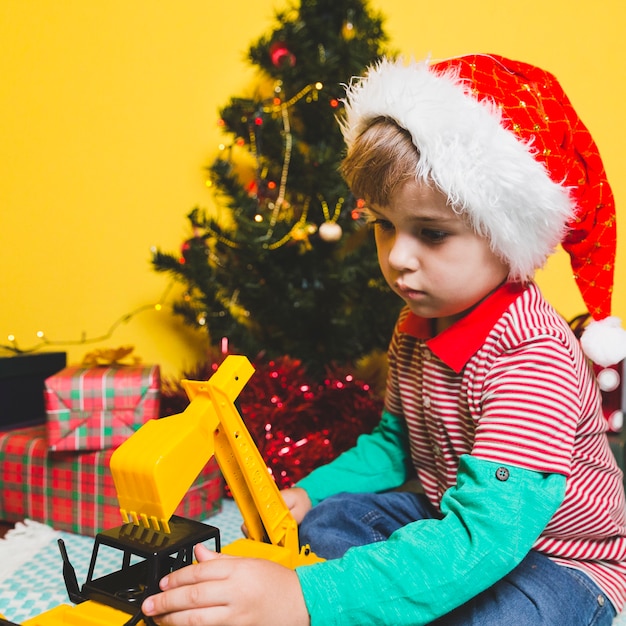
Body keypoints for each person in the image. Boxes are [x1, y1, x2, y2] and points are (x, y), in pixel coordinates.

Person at [141, 54, 626, 625]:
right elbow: (395, 446)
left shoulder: (532, 357)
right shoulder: (416, 327)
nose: (397, 257)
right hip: (448, 512)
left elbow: (485, 537)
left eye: (431, 234)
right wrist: (309, 494)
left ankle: (360, 599)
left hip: (556, 560)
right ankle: (375, 592)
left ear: (506, 236)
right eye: (384, 224)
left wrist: (304, 598)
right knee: (328, 522)